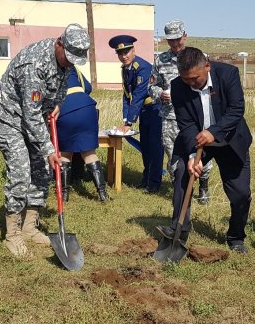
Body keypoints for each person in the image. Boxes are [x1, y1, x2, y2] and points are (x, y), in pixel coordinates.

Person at [0, 24, 90, 258]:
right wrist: (48, 148)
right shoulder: (34, 64)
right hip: (11, 118)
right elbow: (31, 113)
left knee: (41, 172)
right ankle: (12, 233)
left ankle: (29, 227)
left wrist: (58, 103)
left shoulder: (64, 61)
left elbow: (62, 85)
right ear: (59, 44)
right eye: (68, 57)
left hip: (35, 117)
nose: (70, 62)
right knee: (21, 171)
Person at [158, 47, 253, 253]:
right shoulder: (178, 86)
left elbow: (236, 109)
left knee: (241, 194)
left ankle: (236, 237)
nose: (191, 83)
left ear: (207, 66)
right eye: (186, 79)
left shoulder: (228, 74)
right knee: (182, 171)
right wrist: (193, 156)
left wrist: (214, 131)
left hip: (230, 141)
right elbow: (186, 123)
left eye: (195, 78)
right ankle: (179, 228)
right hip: (197, 141)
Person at [150, 20, 213, 203]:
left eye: (178, 39)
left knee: (201, 153)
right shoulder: (160, 61)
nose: (175, 44)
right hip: (170, 117)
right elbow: (151, 86)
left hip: (195, 116)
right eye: (171, 41)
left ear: (185, 36)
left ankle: (203, 186)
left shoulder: (199, 57)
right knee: (173, 157)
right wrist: (160, 94)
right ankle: (181, 190)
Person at [109, 35, 163, 193]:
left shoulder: (143, 67)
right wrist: (125, 118)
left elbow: (138, 96)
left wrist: (129, 123)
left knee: (155, 148)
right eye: (120, 53)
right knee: (146, 147)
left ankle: (154, 184)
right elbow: (127, 95)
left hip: (154, 110)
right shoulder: (126, 69)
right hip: (144, 112)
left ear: (133, 50)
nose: (124, 56)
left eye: (127, 52)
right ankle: (146, 179)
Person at [57, 65, 109, 203]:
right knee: (89, 153)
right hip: (87, 108)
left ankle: (64, 194)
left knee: (65, 153)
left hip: (65, 109)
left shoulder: (48, 69)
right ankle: (102, 194)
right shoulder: (74, 68)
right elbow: (88, 87)